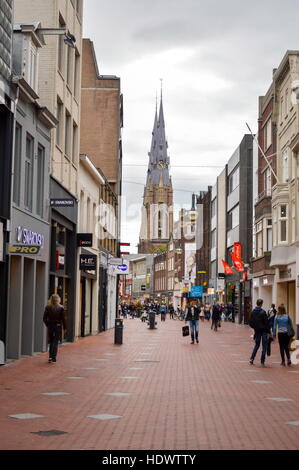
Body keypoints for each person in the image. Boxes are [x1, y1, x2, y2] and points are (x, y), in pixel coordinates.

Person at [43, 294, 67, 363]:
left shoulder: (48, 307)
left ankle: (50, 357)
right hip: (58, 326)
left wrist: (48, 325)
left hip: (51, 326)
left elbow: (44, 319)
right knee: (55, 342)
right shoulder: (61, 308)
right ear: (58, 299)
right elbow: (63, 319)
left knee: (51, 342)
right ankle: (53, 358)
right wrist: (65, 328)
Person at [249, 299, 270, 367]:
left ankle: (252, 358)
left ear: (256, 303)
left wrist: (255, 327)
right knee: (264, 346)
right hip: (264, 331)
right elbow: (267, 323)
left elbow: (250, 323)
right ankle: (262, 361)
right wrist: (269, 332)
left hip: (257, 331)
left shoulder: (253, 312)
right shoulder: (263, 312)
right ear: (261, 304)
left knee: (257, 345)